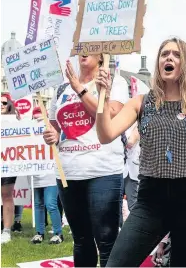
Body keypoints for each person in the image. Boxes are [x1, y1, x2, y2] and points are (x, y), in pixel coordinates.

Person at [96, 38, 186, 267]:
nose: (169, 58)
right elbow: (106, 134)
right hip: (151, 201)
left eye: (176, 54)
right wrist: (102, 98)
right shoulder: (140, 102)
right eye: (164, 54)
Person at [43, 55, 129, 267]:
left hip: (103, 170)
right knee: (81, 240)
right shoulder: (62, 89)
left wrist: (80, 89)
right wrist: (51, 134)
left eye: (89, 48)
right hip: (68, 172)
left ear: (101, 55)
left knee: (106, 239)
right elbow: (54, 126)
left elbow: (110, 118)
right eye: (79, 47)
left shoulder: (114, 81)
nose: (83, 52)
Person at [31, 107, 64, 245]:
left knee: (50, 203)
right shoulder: (30, 132)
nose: (37, 118)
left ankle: (58, 233)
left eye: (40, 116)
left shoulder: (53, 129)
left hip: (50, 172)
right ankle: (39, 233)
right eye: (35, 117)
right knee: (38, 204)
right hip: (36, 173)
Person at [1, 93, 21, 244]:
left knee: (6, 194)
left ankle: (6, 231)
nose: (1, 105)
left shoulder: (16, 121)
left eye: (3, 102)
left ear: (9, 105)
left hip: (8, 162)